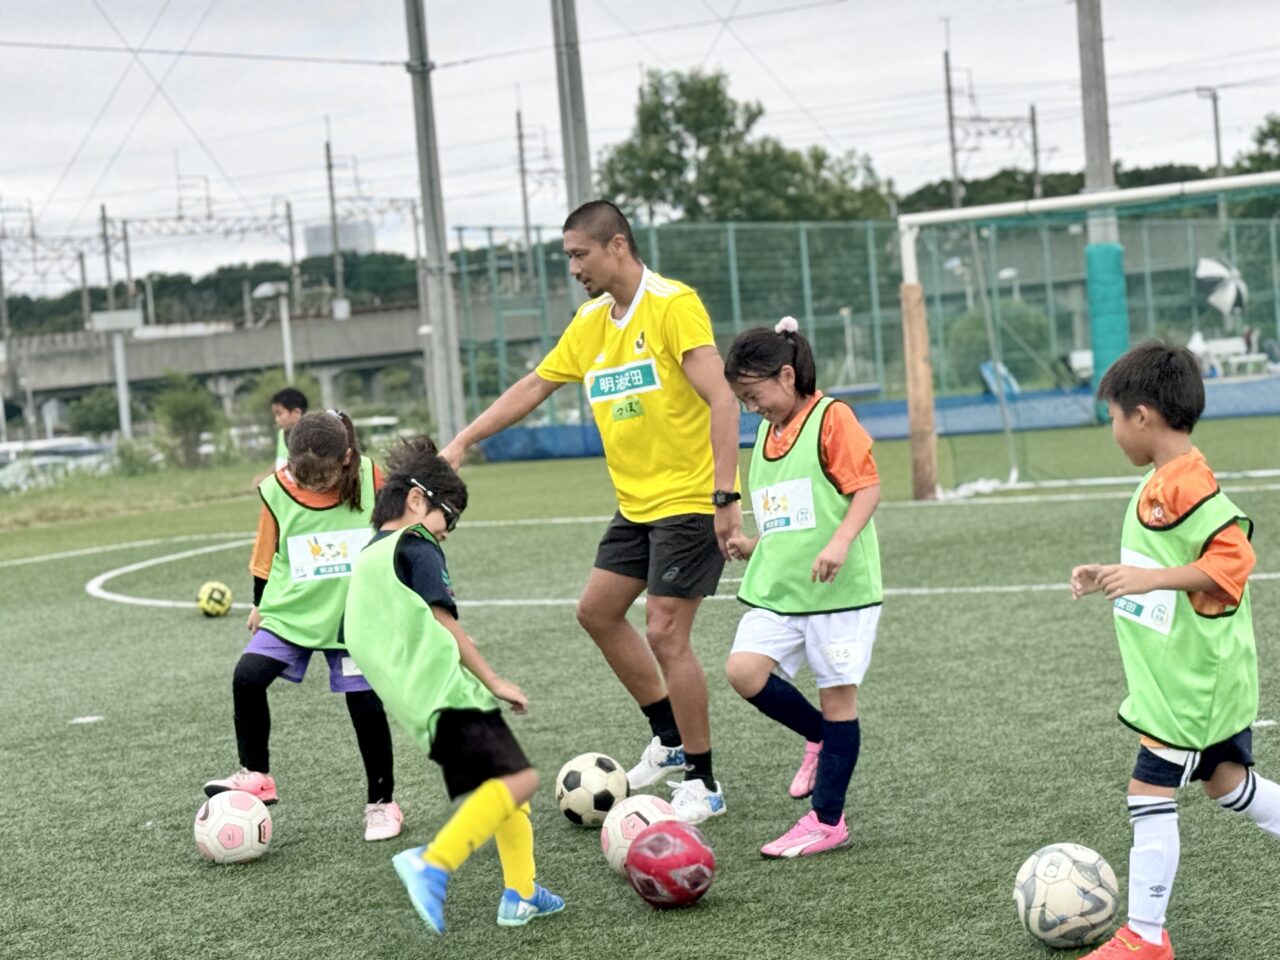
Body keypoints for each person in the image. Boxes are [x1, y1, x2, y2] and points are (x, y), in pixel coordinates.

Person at [440, 200, 742, 823]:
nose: (573, 267)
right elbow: (534, 385)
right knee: (598, 612)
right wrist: (465, 439)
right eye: (569, 257)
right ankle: (668, 739)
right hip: (636, 506)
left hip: (688, 499)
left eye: (580, 254)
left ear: (618, 247)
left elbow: (722, 401)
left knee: (664, 630)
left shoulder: (672, 305)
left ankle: (704, 781)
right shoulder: (591, 322)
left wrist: (725, 497)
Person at [1070, 341, 1279, 960]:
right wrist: (1114, 573)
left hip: (1194, 682)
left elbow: (1233, 561)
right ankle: (1145, 936)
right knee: (1226, 782)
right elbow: (1165, 563)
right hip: (1186, 675)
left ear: (1142, 416)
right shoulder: (1166, 480)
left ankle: (1145, 937)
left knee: (1147, 791)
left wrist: (1148, 579)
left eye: (1112, 417)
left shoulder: (1185, 480)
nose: (1112, 431)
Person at [344, 437, 564, 934]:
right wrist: (493, 679)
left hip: (413, 700)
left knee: (507, 786)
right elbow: (444, 622)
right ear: (417, 501)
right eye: (450, 516)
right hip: (444, 689)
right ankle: (432, 863)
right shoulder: (416, 545)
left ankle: (522, 894)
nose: (449, 531)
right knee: (518, 781)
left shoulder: (368, 556)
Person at [721, 317, 882, 858]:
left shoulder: (832, 417)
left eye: (753, 394)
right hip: (782, 587)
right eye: (742, 399)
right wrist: (755, 543)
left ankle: (828, 820)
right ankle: (817, 737)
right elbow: (789, 510)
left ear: (786, 375)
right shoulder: (767, 430)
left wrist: (839, 543)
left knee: (839, 699)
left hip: (839, 592)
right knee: (743, 671)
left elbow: (866, 489)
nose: (751, 408)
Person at [203, 410, 402, 843]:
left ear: (347, 458)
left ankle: (382, 804)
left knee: (364, 704)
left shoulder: (373, 478)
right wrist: (260, 604)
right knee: (248, 677)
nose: (311, 484)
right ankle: (257, 775)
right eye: (301, 475)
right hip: (292, 609)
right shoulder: (276, 491)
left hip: (354, 615)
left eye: (323, 476)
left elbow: (401, 535)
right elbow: (265, 553)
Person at [270, 387, 308, 470]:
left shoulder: (308, 437)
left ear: (296, 413)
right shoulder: (281, 433)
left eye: (279, 414)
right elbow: (280, 461)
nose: (276, 419)